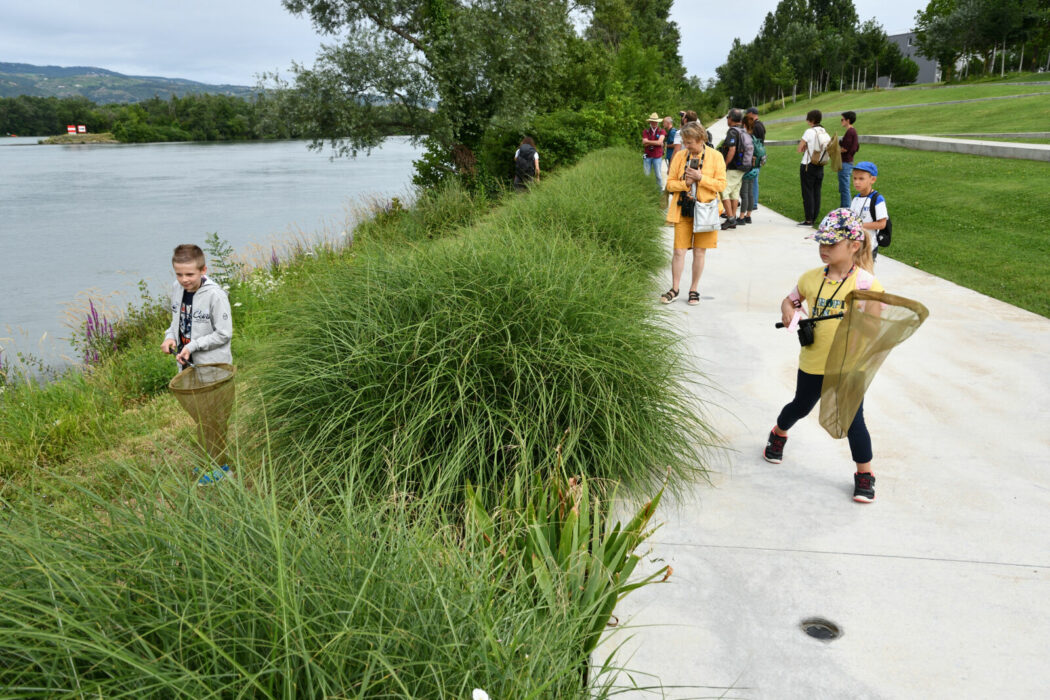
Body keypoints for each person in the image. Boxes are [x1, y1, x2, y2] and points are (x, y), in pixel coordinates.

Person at [763, 209, 883, 503]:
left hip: (849, 367)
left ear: (854, 246)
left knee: (854, 419)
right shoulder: (811, 278)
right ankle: (779, 432)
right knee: (801, 407)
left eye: (831, 244)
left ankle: (864, 474)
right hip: (814, 361)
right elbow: (790, 299)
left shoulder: (867, 285)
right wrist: (789, 310)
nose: (824, 249)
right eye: (821, 243)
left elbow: (875, 327)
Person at [161, 244, 234, 484]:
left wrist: (192, 346)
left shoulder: (216, 295)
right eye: (179, 274)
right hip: (189, 368)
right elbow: (175, 321)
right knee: (202, 418)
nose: (184, 279)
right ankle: (210, 461)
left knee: (215, 417)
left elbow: (224, 334)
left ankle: (222, 468)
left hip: (213, 368)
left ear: (203, 270)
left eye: (190, 274)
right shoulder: (177, 289)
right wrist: (169, 337)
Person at [660, 122, 727, 306]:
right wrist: (686, 184)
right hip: (683, 209)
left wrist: (701, 178)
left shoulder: (716, 157)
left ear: (700, 139)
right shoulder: (680, 156)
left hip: (705, 211)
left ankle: (694, 289)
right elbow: (669, 184)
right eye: (685, 142)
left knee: (699, 251)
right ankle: (674, 288)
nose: (686, 146)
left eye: (689, 142)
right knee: (679, 251)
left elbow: (721, 185)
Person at [796, 109, 831, 227]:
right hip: (820, 164)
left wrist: (805, 146)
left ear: (811, 120)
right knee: (817, 192)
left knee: (807, 192)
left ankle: (808, 220)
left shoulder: (809, 132)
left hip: (808, 164)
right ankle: (814, 217)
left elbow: (799, 148)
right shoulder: (824, 131)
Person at [848, 161, 888, 261]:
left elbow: (882, 224)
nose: (856, 182)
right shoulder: (855, 199)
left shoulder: (877, 199)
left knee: (865, 275)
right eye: (855, 178)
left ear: (872, 179)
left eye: (861, 179)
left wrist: (860, 226)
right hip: (854, 246)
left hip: (868, 248)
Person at [719, 108, 752, 230]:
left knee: (723, 190)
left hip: (733, 167)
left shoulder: (732, 132)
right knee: (734, 193)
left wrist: (725, 165)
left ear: (731, 119)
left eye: (728, 117)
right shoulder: (743, 130)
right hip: (742, 167)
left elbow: (731, 150)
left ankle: (730, 218)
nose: (727, 119)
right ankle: (732, 219)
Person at [838, 111, 859, 208]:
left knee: (844, 187)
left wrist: (834, 150)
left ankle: (847, 208)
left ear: (848, 120)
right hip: (847, 162)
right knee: (843, 187)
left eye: (842, 119)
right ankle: (844, 208)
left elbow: (844, 149)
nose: (841, 121)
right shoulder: (852, 132)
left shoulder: (850, 132)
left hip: (846, 162)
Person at [745, 107, 766, 208]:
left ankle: (753, 203)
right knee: (754, 179)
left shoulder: (755, 126)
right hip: (759, 155)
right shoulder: (760, 124)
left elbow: (754, 143)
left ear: (752, 114)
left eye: (747, 114)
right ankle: (753, 202)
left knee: (753, 179)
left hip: (755, 156)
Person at [642, 112, 667, 190]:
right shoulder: (646, 131)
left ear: (658, 122)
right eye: (653, 121)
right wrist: (658, 143)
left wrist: (648, 142)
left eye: (656, 121)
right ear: (650, 122)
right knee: (646, 175)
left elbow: (659, 142)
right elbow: (644, 144)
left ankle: (659, 191)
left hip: (657, 156)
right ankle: (647, 190)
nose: (654, 123)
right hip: (647, 156)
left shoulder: (662, 131)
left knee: (658, 176)